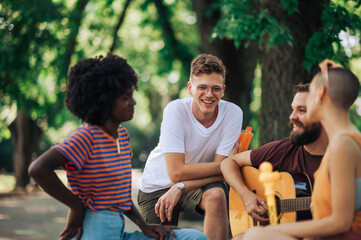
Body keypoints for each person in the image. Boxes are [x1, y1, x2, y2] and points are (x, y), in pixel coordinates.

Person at [28, 53, 207, 240]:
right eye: (125, 98)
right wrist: (75, 205)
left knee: (195, 238)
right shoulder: (86, 136)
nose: (133, 102)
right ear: (104, 102)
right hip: (93, 230)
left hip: (118, 232)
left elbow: (119, 194)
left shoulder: (121, 135)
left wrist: (144, 225)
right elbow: (38, 168)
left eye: (131, 95)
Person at [242, 59, 361, 240]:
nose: (293, 114)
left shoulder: (342, 145)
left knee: (255, 236)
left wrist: (273, 231)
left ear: (320, 94)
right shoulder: (344, 140)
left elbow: (340, 223)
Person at [138, 54, 243, 240]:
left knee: (216, 195)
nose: (209, 94)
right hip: (157, 187)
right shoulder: (175, 110)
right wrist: (228, 163)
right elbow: (176, 172)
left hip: (197, 183)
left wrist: (180, 186)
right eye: (202, 87)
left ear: (223, 90)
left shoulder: (233, 113)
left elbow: (221, 173)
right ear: (190, 88)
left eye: (216, 88)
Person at [221, 83, 329, 223]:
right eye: (292, 110)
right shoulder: (285, 149)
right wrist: (246, 195)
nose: (292, 116)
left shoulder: (346, 156)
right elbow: (229, 162)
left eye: (301, 110)